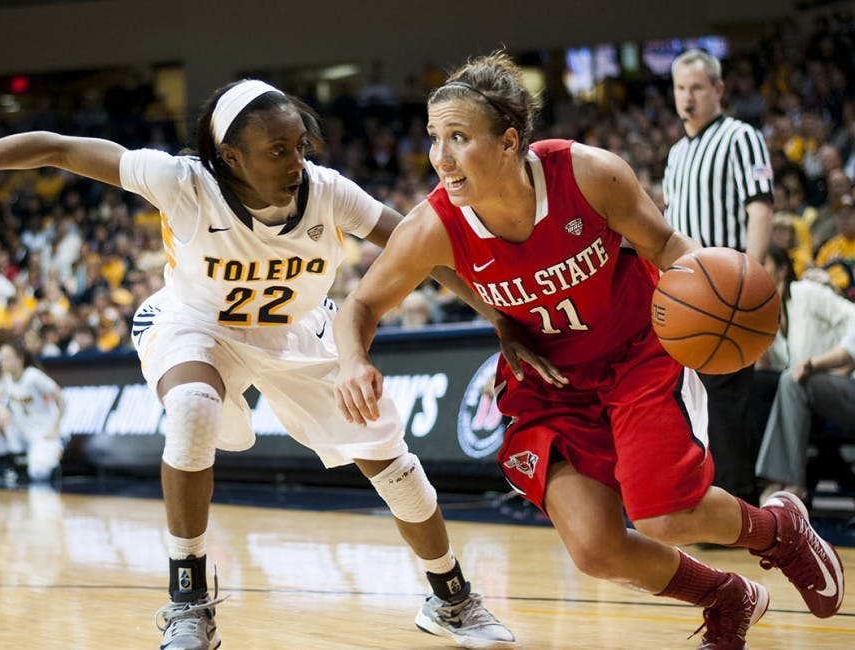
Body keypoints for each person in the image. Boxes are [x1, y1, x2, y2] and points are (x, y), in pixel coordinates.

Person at [0, 79, 514, 650]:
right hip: (195, 323)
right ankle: (188, 599)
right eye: (277, 152)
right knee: (191, 408)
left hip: (297, 332)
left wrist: (505, 319)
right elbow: (58, 147)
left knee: (393, 465)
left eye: (299, 146)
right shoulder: (181, 182)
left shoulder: (327, 191)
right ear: (230, 158)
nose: (297, 162)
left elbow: (424, 252)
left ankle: (451, 596)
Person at [331, 52, 845, 650]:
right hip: (550, 382)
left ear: (509, 140)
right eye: (433, 138)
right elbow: (359, 308)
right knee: (596, 550)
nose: (439, 158)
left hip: (636, 355)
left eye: (457, 138)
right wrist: (354, 360)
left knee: (663, 515)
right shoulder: (434, 227)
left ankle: (781, 530)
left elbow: (669, 248)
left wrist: (720, 313)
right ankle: (725, 596)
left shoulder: (589, 174)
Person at [662, 49, 775, 504]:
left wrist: (751, 279)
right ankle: (702, 499)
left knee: (725, 401)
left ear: (719, 90)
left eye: (696, 88)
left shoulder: (740, 137)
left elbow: (760, 208)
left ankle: (737, 501)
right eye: (680, 88)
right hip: (687, 291)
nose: (687, 98)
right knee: (691, 401)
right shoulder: (675, 154)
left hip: (728, 289)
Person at [755, 246, 855, 501]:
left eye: (762, 264)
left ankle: (788, 483)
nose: (756, 270)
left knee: (792, 381)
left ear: (782, 271)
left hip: (846, 381)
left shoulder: (806, 293)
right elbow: (776, 367)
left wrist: (824, 362)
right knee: (765, 383)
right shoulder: (767, 315)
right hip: (814, 392)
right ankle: (778, 482)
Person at [0, 338, 67, 485]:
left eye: (6, 358)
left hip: (43, 433)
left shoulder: (32, 376)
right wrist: (1, 410)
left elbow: (61, 399)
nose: (2, 362)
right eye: (1, 359)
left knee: (38, 472)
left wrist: (56, 428)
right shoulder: (5, 378)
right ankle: (4, 460)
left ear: (19, 359)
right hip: (21, 432)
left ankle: (53, 455)